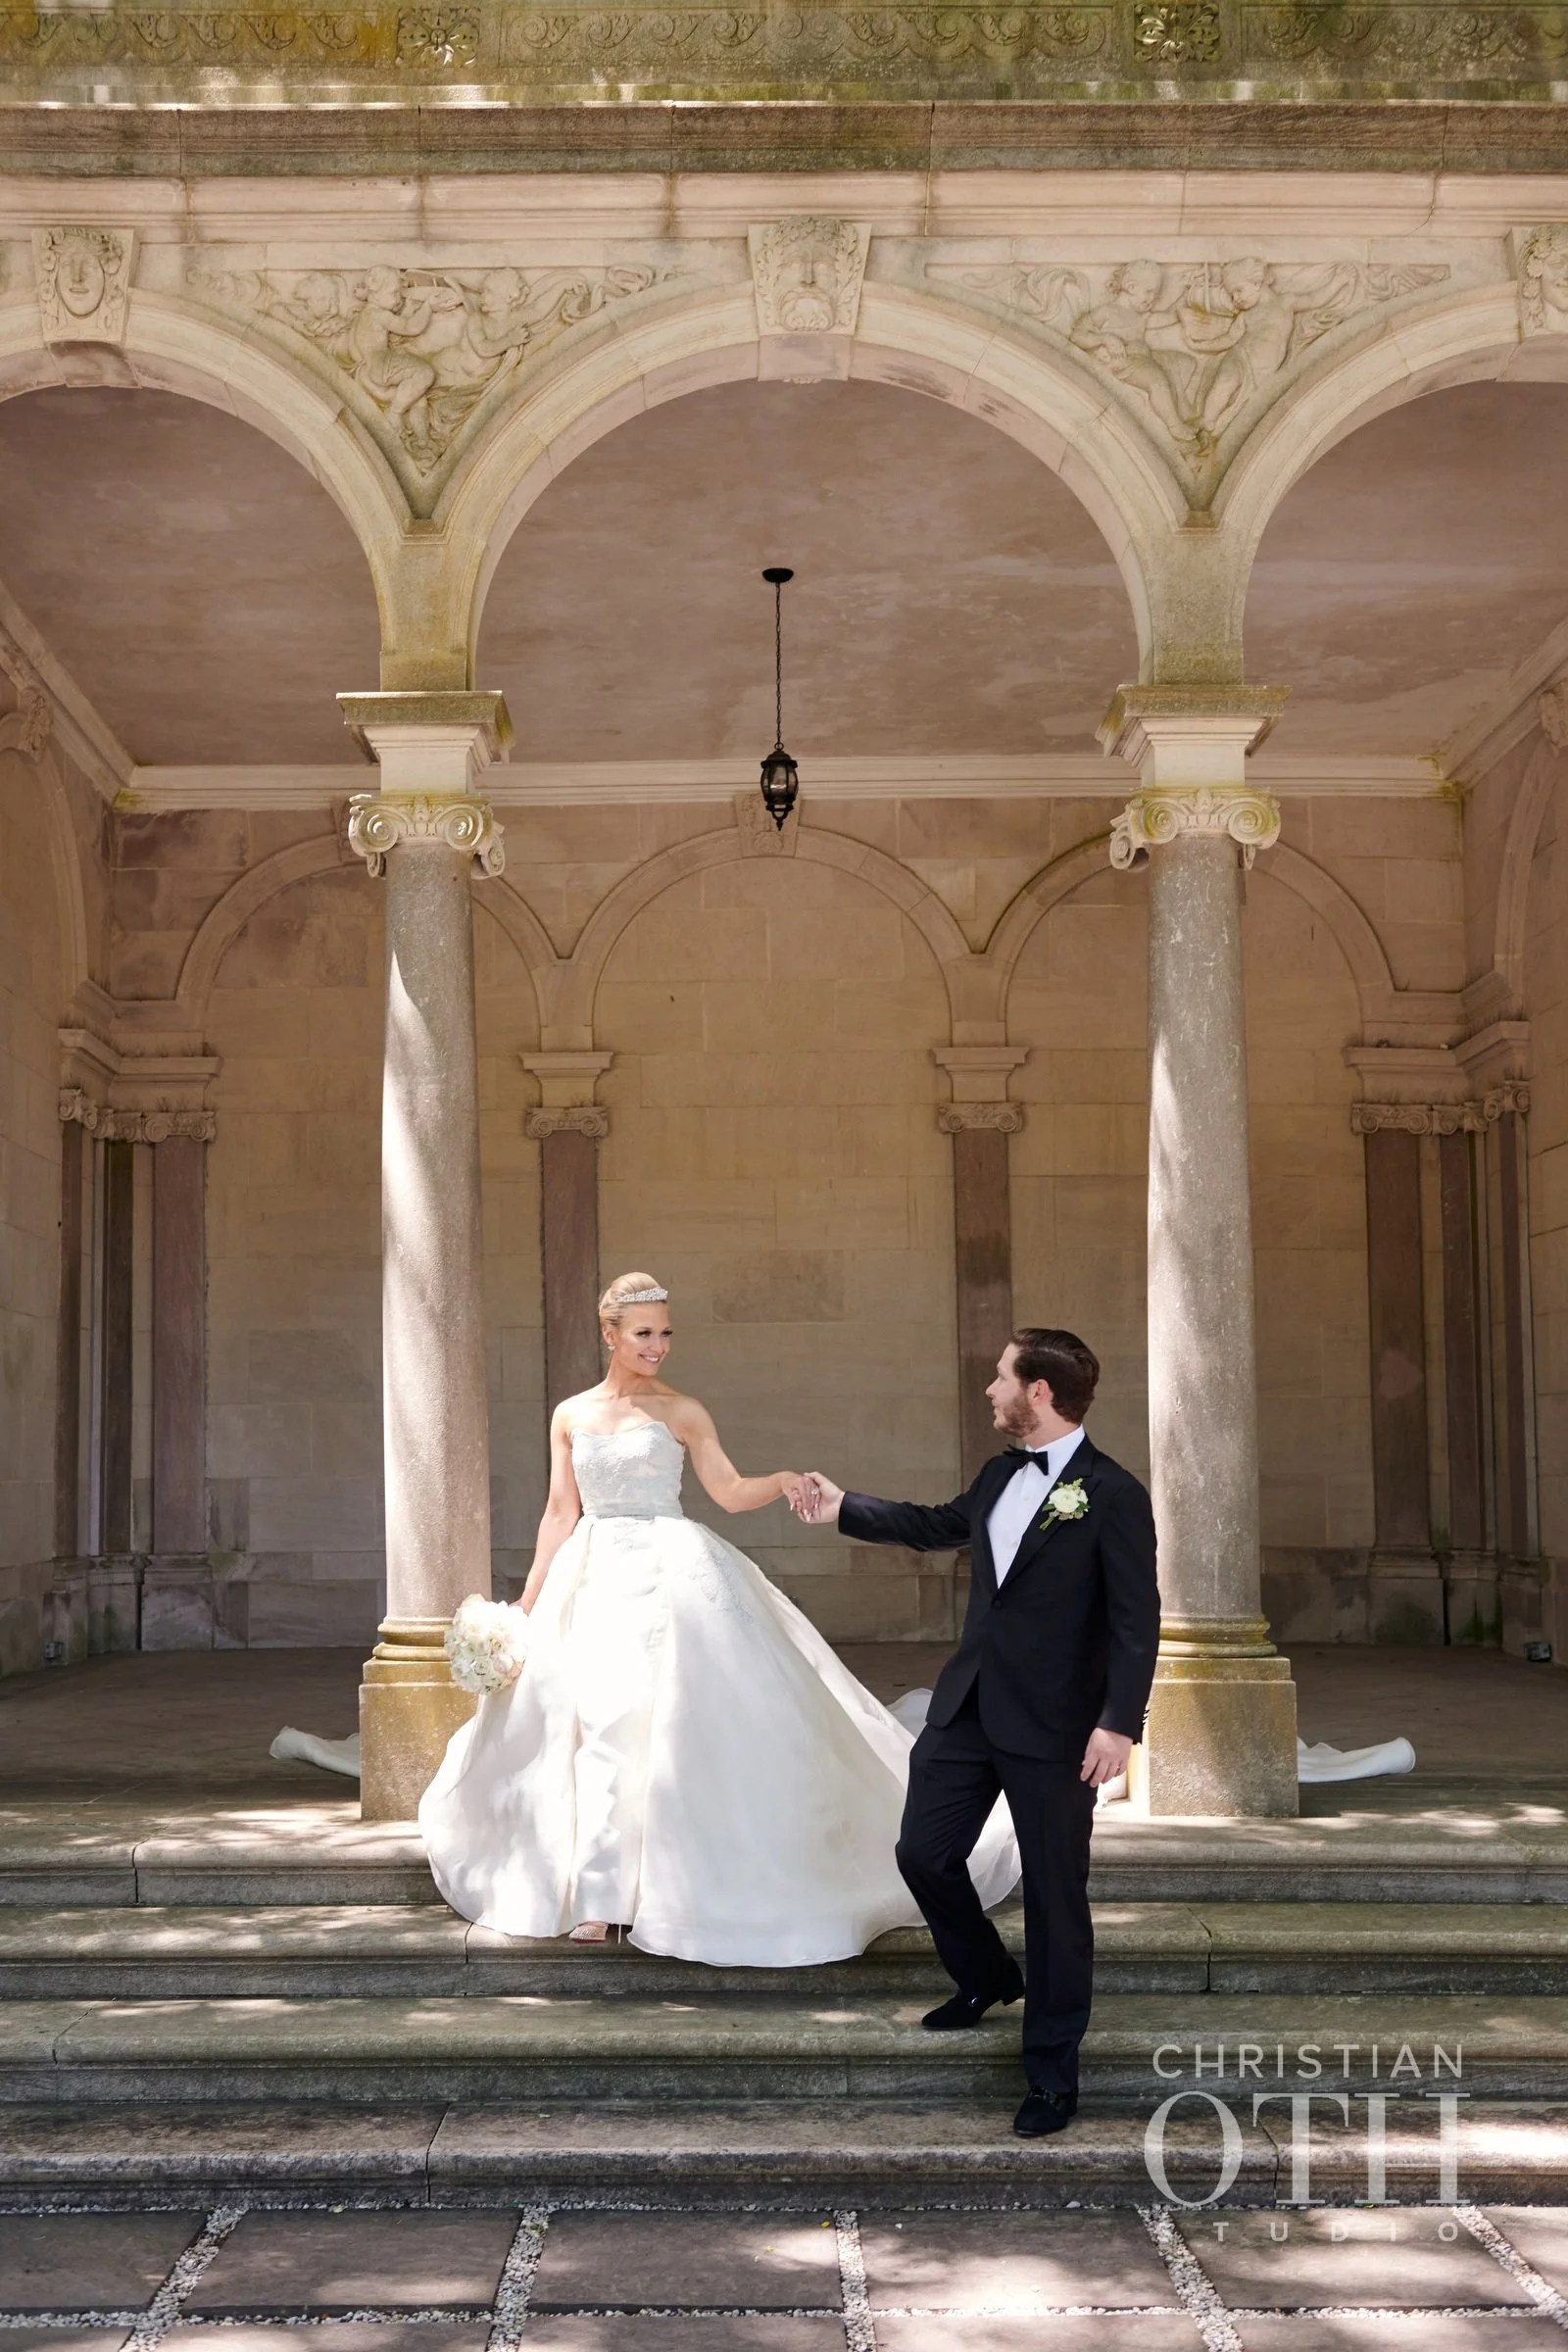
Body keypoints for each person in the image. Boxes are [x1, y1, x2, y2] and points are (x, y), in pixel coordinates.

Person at [419, 1271, 1018, 1964]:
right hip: (592, 1573)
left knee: (653, 1722)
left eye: (666, 1333)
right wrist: (528, 1601)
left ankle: (616, 1895)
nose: (659, 1346)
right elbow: (561, 1511)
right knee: (583, 1720)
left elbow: (729, 1492)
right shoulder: (571, 1414)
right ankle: (596, 1891)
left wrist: (785, 1482)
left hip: (669, 1572)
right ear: (609, 1334)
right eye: (644, 1334)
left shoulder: (684, 1411)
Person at [796, 1328, 1159, 2137]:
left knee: (1057, 1899)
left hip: (1060, 1729)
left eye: (1001, 1377)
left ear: (1038, 1393)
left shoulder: (1114, 1493)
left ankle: (1053, 2074)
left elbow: (1139, 1622)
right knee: (922, 1853)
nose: (989, 1390)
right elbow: (935, 1525)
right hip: (967, 1712)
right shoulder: (1001, 1474)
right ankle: (987, 1975)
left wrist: (1118, 1725)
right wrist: (842, 1506)